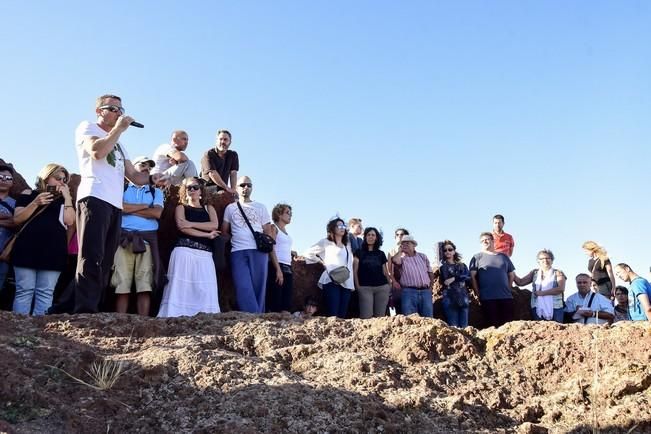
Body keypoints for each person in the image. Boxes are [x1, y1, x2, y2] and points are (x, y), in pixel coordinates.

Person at [56, 94, 163, 314]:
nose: (118, 113)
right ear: (99, 111)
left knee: (105, 260)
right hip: (94, 197)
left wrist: (154, 178)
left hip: (115, 205)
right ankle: (84, 310)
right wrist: (119, 129)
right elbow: (97, 152)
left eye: (120, 110)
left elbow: (134, 176)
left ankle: (68, 306)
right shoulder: (88, 128)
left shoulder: (121, 145)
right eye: (113, 109)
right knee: (91, 255)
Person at [11, 164, 75, 315]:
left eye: (64, 180)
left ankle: (40, 331)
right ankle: (20, 328)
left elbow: (70, 221)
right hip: (27, 248)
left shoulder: (64, 201)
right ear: (46, 177)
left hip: (54, 251)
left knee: (45, 293)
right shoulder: (28, 194)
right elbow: (17, 219)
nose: (61, 182)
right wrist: (35, 203)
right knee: (24, 290)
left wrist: (67, 198)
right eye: (58, 178)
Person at [158, 177, 220, 317]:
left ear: (201, 191)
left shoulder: (208, 208)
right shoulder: (181, 208)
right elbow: (182, 227)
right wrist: (206, 235)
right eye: (188, 188)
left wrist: (190, 223)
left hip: (205, 254)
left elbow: (214, 225)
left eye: (195, 187)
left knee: (205, 289)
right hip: (184, 251)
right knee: (180, 288)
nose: (192, 190)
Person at [110, 156, 164, 316]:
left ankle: (144, 322)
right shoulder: (122, 187)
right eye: (143, 165)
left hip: (146, 241)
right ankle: (120, 321)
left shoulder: (156, 191)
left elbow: (157, 212)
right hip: (123, 241)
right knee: (121, 283)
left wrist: (130, 208)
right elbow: (120, 208)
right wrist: (142, 206)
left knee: (145, 284)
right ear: (133, 168)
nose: (146, 169)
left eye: (149, 167)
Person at [222, 176, 278, 313]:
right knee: (243, 285)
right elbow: (224, 230)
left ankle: (258, 317)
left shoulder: (261, 207)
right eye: (242, 185)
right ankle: (252, 316)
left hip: (258, 250)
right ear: (237, 188)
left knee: (259, 286)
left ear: (252, 188)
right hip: (238, 250)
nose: (245, 187)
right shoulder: (230, 208)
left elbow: (267, 231)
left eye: (249, 185)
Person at [303, 217, 355, 318]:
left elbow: (349, 264)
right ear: (332, 228)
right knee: (333, 314)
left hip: (346, 281)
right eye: (339, 226)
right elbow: (308, 253)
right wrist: (322, 262)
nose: (342, 228)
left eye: (344, 226)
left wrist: (351, 284)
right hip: (331, 280)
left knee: (342, 315)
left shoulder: (347, 245)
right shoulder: (326, 242)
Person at [469, 232, 516, 328]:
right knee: (492, 327)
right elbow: (472, 277)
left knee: (507, 327)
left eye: (487, 239)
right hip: (487, 298)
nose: (485, 242)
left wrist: (509, 288)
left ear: (493, 240)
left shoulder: (504, 257)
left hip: (506, 297)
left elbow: (511, 274)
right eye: (482, 241)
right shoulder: (477, 257)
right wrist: (478, 293)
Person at [514, 249, 566, 323]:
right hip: (537, 307)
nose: (545, 260)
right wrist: (511, 272)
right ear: (538, 261)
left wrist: (542, 293)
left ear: (552, 260)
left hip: (556, 307)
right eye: (542, 258)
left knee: (557, 330)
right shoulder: (534, 273)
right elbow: (521, 282)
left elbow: (560, 289)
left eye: (548, 258)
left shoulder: (558, 273)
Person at [391, 235, 434, 317]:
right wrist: (400, 251)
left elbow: (430, 272)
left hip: (425, 292)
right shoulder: (401, 258)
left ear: (414, 245)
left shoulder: (422, 256)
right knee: (411, 320)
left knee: (428, 319)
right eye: (403, 244)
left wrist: (430, 287)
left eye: (407, 243)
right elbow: (394, 260)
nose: (405, 245)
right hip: (408, 292)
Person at [353, 227, 391, 319]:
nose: (370, 237)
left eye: (373, 235)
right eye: (368, 235)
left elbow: (385, 271)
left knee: (380, 317)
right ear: (365, 237)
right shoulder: (359, 252)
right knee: (366, 317)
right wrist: (358, 287)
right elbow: (355, 271)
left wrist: (389, 286)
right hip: (365, 288)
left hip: (382, 288)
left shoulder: (381, 253)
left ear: (376, 238)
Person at [266, 203, 294, 313]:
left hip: (288, 267)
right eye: (287, 213)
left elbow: (281, 246)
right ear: (279, 214)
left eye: (291, 213)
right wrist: (278, 269)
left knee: (286, 303)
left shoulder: (286, 232)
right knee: (275, 302)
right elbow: (271, 248)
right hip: (276, 266)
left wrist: (291, 252)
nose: (290, 215)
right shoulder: (274, 227)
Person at [439, 240, 471, 327]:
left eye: (450, 249)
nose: (447, 252)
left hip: (463, 298)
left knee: (465, 328)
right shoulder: (443, 267)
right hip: (450, 299)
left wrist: (454, 278)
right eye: (445, 250)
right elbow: (445, 281)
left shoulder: (462, 265)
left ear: (454, 251)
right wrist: (459, 277)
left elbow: (467, 277)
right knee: (454, 327)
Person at [201, 129, 239, 194]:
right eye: (220, 139)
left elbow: (233, 173)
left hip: (223, 190)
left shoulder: (233, 155)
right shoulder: (208, 154)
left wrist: (233, 190)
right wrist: (227, 188)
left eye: (225, 139)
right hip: (208, 189)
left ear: (230, 142)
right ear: (216, 141)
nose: (222, 142)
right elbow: (212, 173)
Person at [0, 164, 16, 293]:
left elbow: (17, 222)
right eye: (0, 177)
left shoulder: (16, 203)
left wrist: (12, 220)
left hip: (4, 251)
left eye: (8, 178)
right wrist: (8, 218)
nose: (4, 180)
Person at [387, 228, 409, 315]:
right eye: (397, 235)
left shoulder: (410, 251)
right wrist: (394, 282)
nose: (399, 236)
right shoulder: (390, 251)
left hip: (408, 285)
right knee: (396, 310)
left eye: (402, 234)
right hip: (396, 285)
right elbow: (388, 269)